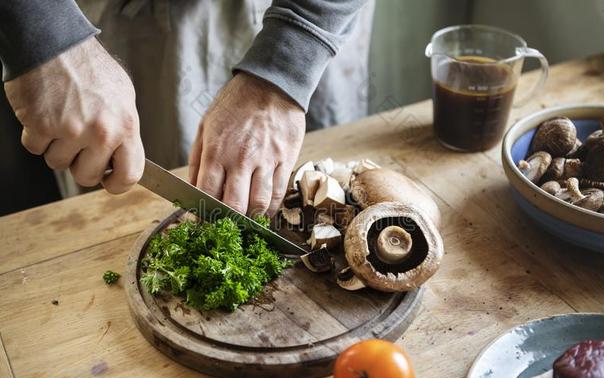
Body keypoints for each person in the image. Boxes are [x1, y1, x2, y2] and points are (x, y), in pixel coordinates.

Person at [0, 0, 374, 216]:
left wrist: (290, 62)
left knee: (321, 201)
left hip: (321, 13)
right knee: (124, 216)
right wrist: (46, 33)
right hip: (108, 21)